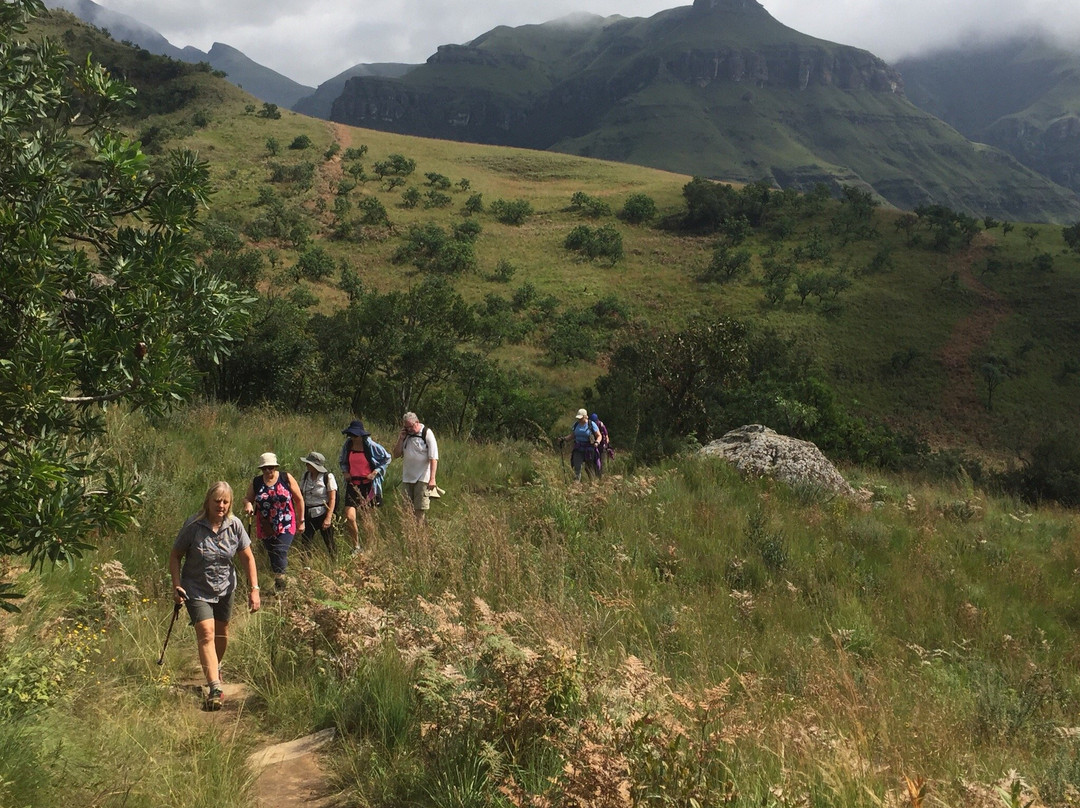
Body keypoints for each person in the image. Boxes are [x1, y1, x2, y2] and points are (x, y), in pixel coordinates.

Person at [169, 481, 260, 711]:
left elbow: (247, 557)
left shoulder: (235, 525)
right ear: (208, 501)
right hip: (196, 588)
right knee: (206, 632)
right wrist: (176, 585)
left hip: (225, 588)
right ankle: (215, 687)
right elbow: (175, 555)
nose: (221, 505)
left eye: (225, 501)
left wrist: (254, 589)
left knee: (221, 632)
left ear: (230, 504)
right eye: (217, 501)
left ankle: (215, 667)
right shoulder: (193, 525)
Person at [242, 452, 304, 590]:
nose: (268, 471)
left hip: (286, 522)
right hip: (266, 525)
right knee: (273, 555)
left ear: (275, 467)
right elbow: (248, 498)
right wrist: (248, 504)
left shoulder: (285, 478)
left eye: (271, 467)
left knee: (280, 551)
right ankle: (287, 581)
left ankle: (281, 587)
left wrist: (302, 519)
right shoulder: (257, 482)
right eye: (264, 468)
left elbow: (299, 499)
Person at [337, 420, 391, 554]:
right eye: (350, 435)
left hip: (369, 487)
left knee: (368, 518)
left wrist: (375, 472)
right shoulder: (347, 445)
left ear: (361, 435)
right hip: (352, 485)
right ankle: (356, 546)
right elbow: (343, 461)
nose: (352, 437)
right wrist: (345, 472)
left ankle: (371, 545)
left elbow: (387, 458)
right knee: (350, 516)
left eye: (354, 435)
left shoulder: (371, 445)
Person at [393, 411, 439, 521]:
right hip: (407, 478)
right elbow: (396, 454)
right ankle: (410, 532)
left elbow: (433, 458)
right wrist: (401, 438)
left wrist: (432, 479)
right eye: (406, 427)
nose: (409, 429)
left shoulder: (426, 433)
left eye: (411, 426)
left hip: (422, 478)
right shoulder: (406, 436)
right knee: (406, 509)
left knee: (419, 509)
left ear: (417, 422)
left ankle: (419, 534)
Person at [298, 450, 338, 557]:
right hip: (308, 512)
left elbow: (332, 498)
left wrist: (328, 518)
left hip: (323, 512)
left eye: (309, 463)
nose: (306, 465)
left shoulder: (328, 477)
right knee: (306, 541)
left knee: (329, 541)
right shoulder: (305, 476)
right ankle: (306, 566)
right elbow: (300, 494)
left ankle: (335, 562)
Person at [561, 408, 600, 482]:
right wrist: (564, 439)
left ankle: (593, 483)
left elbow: (599, 435)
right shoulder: (576, 424)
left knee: (589, 467)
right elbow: (572, 435)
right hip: (578, 448)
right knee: (577, 466)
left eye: (581, 418)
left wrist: (597, 442)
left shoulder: (591, 424)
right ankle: (576, 484)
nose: (579, 419)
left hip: (589, 448)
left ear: (585, 416)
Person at [590, 412, 611, 477]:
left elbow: (606, 435)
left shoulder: (601, 425)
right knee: (594, 461)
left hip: (602, 446)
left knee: (602, 461)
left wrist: (606, 444)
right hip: (594, 446)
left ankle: (602, 476)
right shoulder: (590, 426)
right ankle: (596, 476)